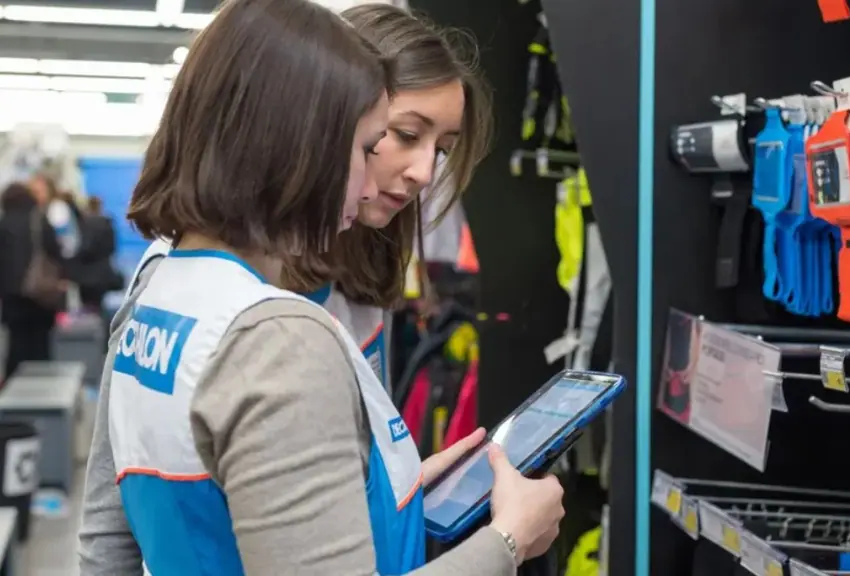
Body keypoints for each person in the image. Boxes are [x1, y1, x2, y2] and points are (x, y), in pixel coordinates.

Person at [79, 1, 563, 575]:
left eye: (444, 150)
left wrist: (389, 482)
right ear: (301, 135)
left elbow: (141, 527)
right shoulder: (276, 335)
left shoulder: (176, 293)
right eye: (381, 139)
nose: (423, 174)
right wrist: (507, 541)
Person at [0, 182, 64, 378]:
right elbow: (55, 253)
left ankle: (13, 393)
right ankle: (41, 391)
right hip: (41, 294)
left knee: (16, 344)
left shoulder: (3, 224)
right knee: (41, 345)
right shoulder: (39, 220)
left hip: (12, 296)